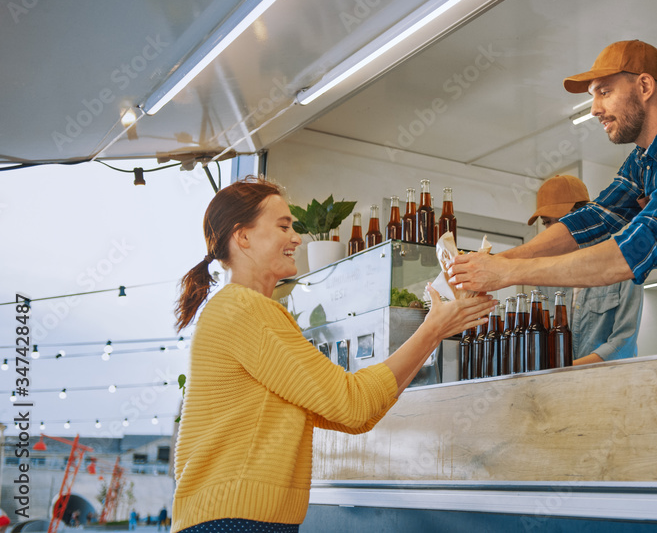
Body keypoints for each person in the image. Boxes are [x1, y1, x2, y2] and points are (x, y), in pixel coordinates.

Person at [171, 177, 494, 532]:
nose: (296, 237)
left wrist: (437, 330)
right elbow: (352, 403)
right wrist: (433, 328)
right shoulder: (245, 308)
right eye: (283, 226)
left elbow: (355, 415)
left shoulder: (243, 309)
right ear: (242, 236)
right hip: (234, 521)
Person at [450, 40, 657, 349]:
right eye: (592, 96)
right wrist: (494, 260)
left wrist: (507, 272)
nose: (595, 109)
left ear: (645, 86)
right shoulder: (641, 160)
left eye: (604, 92)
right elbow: (594, 217)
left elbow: (638, 247)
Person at [531, 175, 642, 364]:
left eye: (561, 220)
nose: (552, 231)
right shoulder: (544, 276)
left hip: (610, 385)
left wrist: (569, 369)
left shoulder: (621, 262)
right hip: (556, 386)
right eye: (547, 222)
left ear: (584, 215)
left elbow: (624, 342)